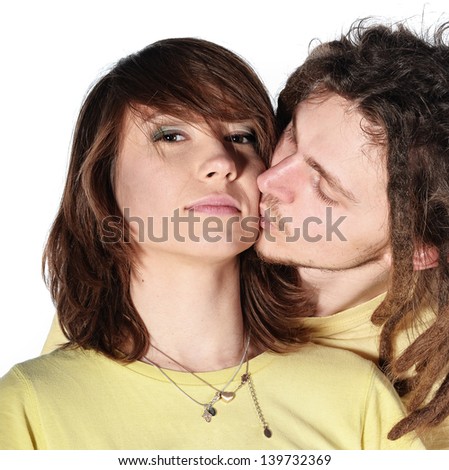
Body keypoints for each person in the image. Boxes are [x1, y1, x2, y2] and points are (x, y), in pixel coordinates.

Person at [0, 38, 424, 450]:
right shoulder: (30, 402)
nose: (224, 162)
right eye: (170, 136)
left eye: (242, 137)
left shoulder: (361, 393)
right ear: (101, 179)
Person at [256, 20, 449, 450]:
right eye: (291, 137)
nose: (269, 180)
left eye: (324, 188)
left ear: (416, 250)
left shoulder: (431, 398)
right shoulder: (192, 260)